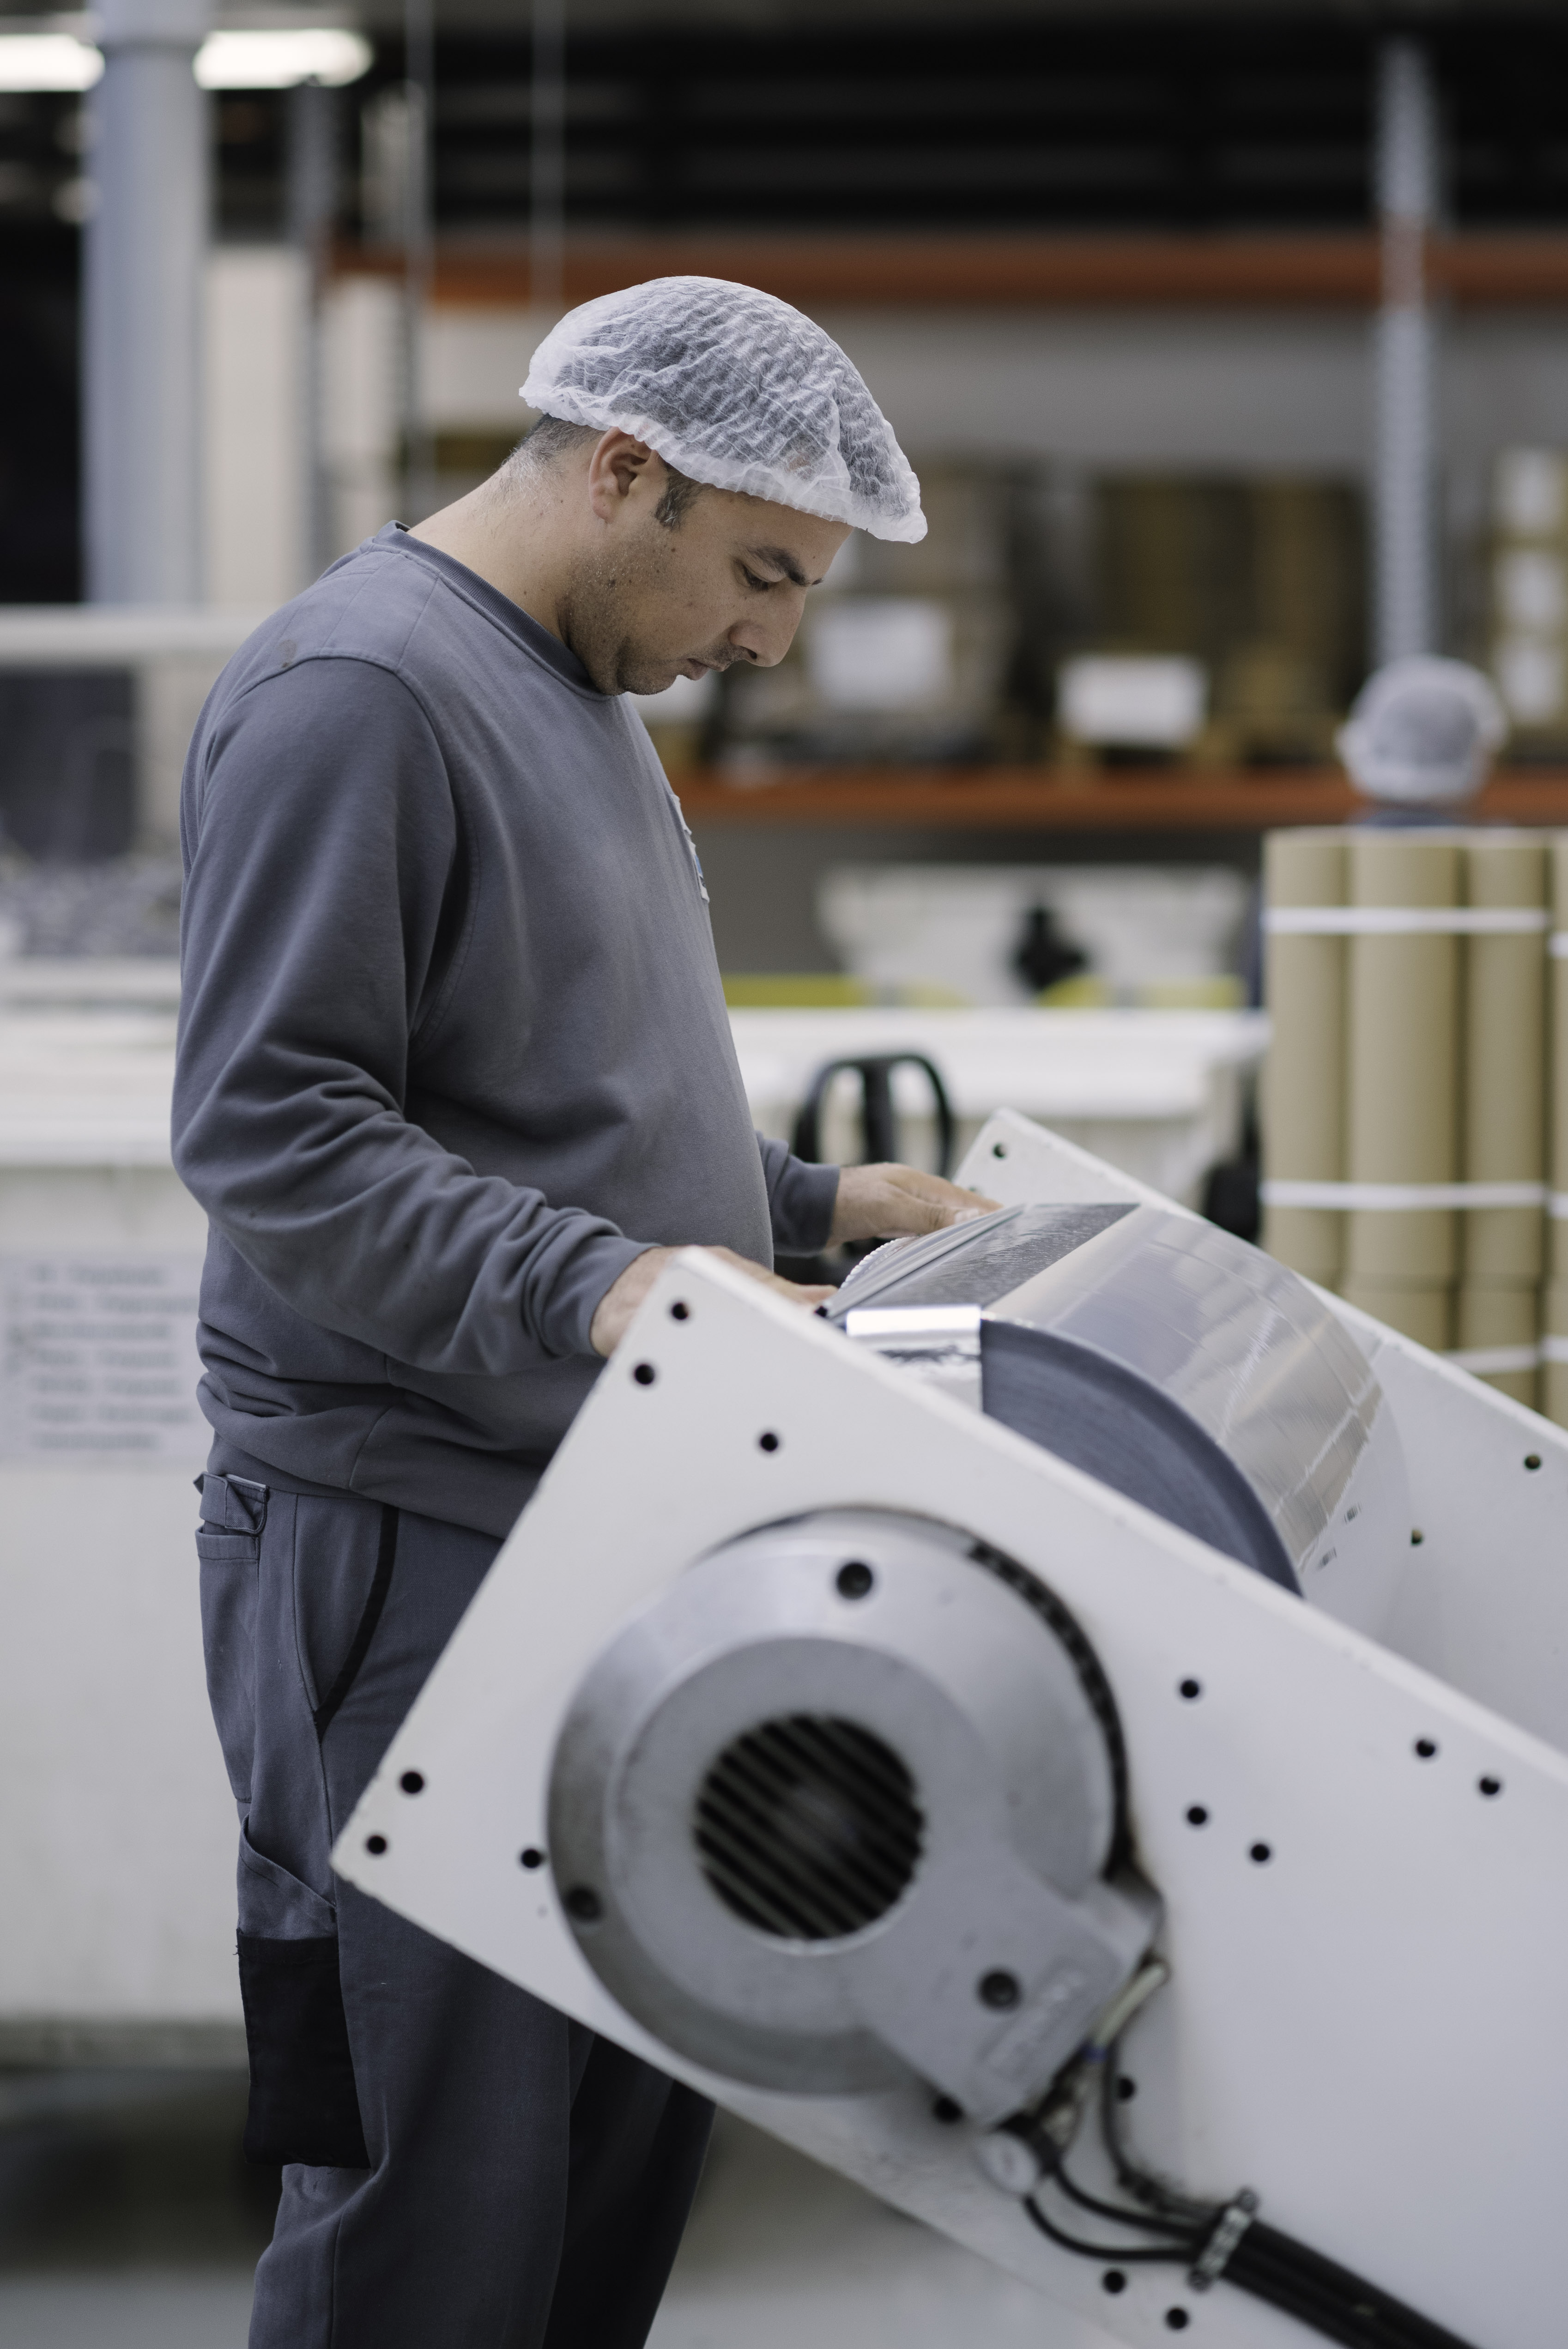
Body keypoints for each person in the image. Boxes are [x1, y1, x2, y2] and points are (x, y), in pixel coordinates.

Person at [173, 276, 992, 2349]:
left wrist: (802, 1205)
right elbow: (272, 1126)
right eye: (759, 574)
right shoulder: (363, 688)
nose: (769, 643)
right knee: (429, 2221)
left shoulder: (582, 701)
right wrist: (610, 1276)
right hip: (408, 1553)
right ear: (627, 471)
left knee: (606, 2176)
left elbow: (532, 1084)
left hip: (607, 1525)